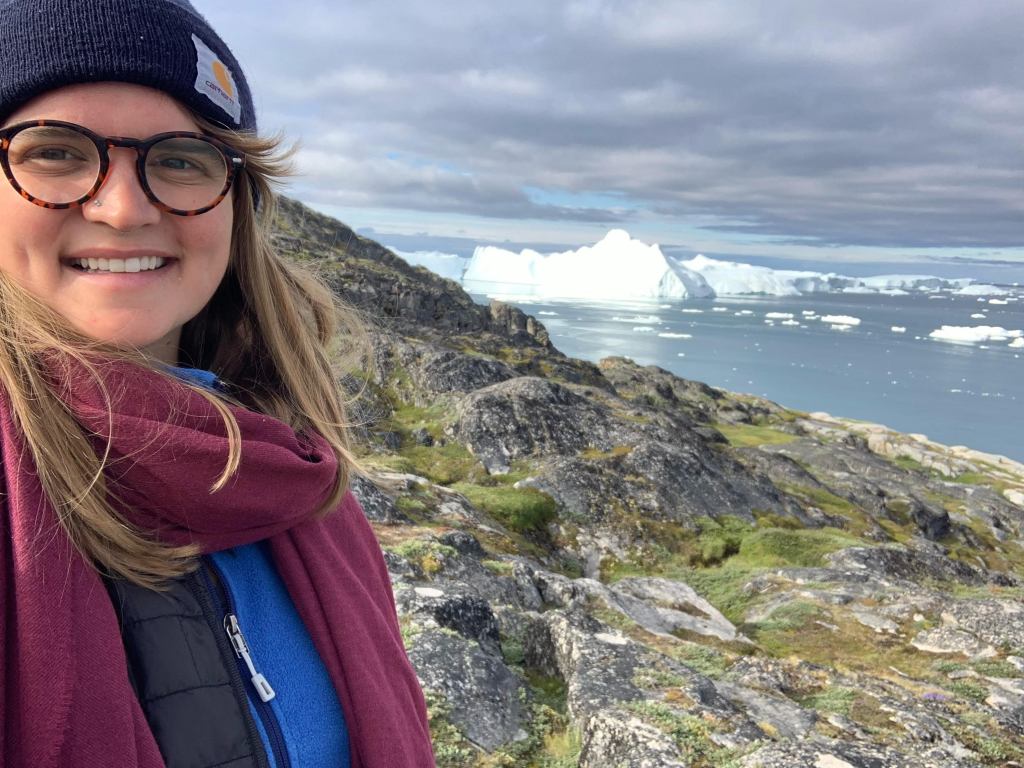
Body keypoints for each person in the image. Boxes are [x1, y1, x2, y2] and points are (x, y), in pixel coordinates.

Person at [0, 1, 436, 767]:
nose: (123, 209)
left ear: (236, 204)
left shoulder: (296, 475)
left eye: (180, 160)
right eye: (56, 153)